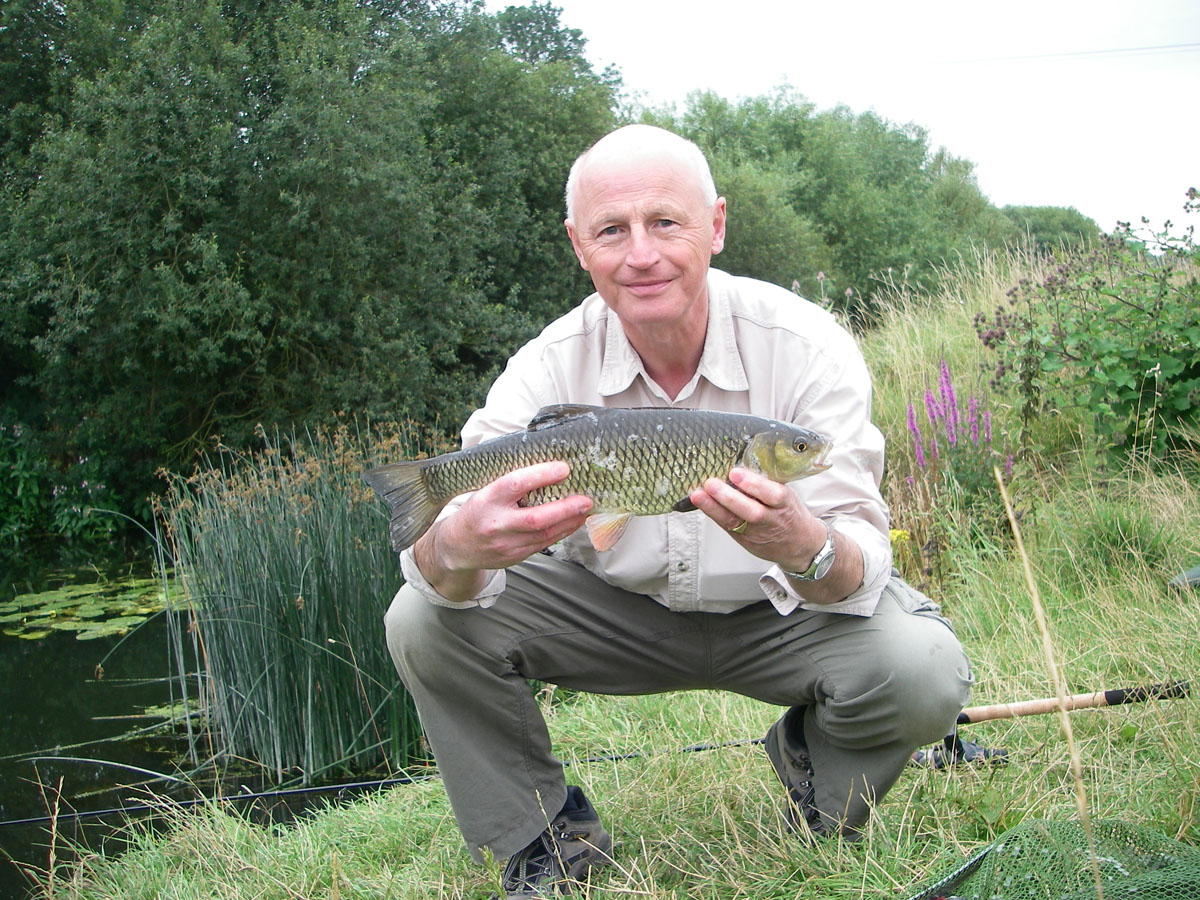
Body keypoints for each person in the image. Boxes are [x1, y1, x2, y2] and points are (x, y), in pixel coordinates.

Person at [383, 124, 972, 898]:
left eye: (666, 222)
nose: (642, 254)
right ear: (577, 244)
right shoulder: (546, 363)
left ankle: (820, 792)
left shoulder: (807, 347)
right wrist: (456, 541)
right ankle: (543, 844)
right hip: (610, 612)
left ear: (716, 226)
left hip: (780, 613)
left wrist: (803, 543)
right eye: (611, 230)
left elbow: (858, 562)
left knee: (923, 667)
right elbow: (436, 561)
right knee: (419, 618)